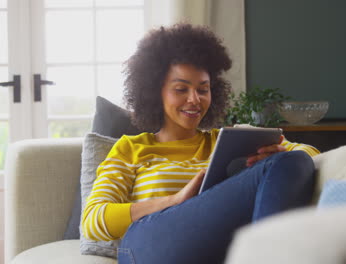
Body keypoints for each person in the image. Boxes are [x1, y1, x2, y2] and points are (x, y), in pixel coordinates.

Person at [82, 23, 319, 264]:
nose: (194, 100)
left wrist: (274, 154)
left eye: (203, 89)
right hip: (148, 245)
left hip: (215, 247)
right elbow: (92, 221)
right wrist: (174, 201)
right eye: (181, 89)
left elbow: (308, 157)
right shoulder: (131, 148)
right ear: (155, 92)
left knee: (293, 160)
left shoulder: (229, 140)